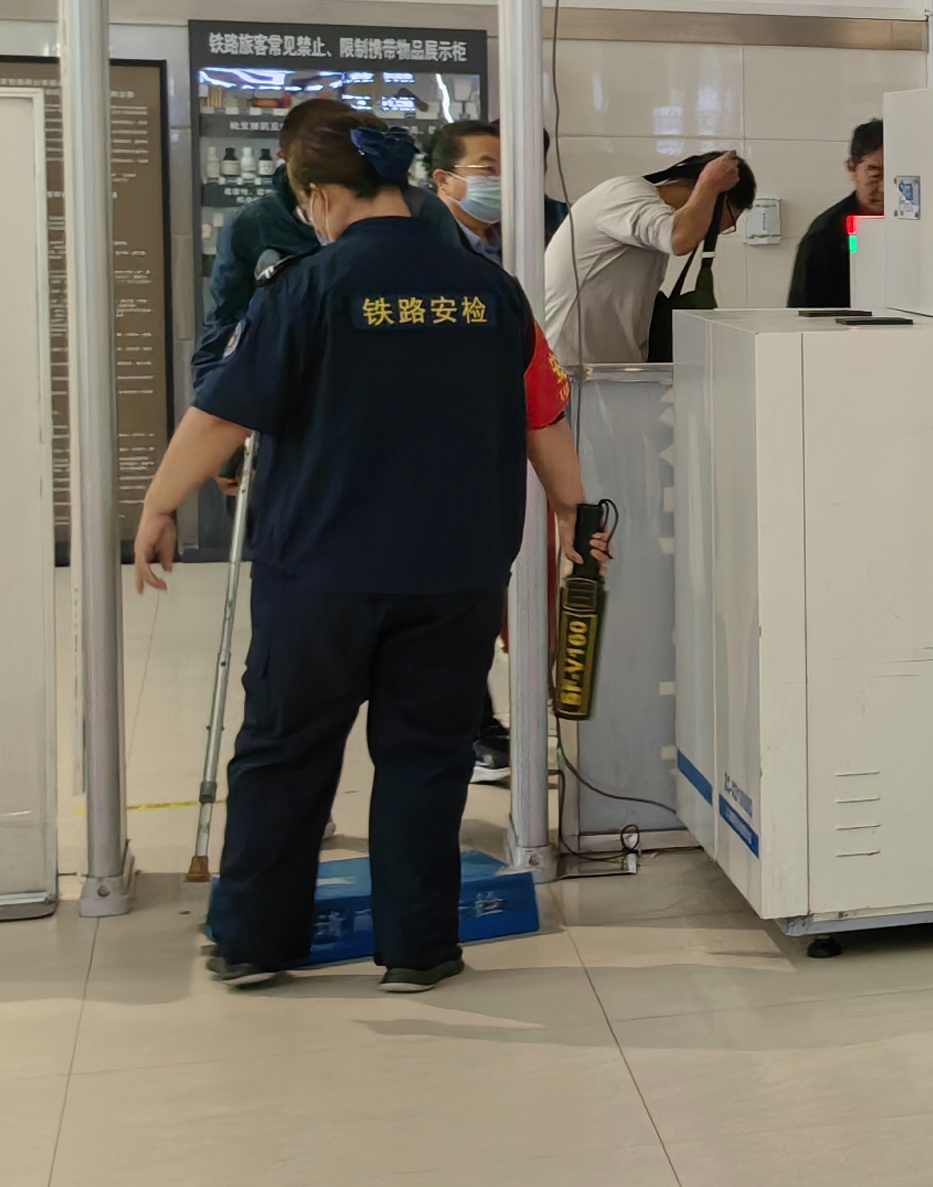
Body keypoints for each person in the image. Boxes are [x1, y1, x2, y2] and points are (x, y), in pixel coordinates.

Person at [132, 111, 604, 991]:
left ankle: (254, 943)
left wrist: (161, 503)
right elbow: (543, 416)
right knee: (428, 756)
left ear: (319, 197)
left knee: (285, 751)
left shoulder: (307, 288)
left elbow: (223, 412)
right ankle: (420, 949)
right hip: (456, 571)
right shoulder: (492, 291)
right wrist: (574, 513)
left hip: (322, 574)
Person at [543, 148, 752, 366]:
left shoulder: (653, 218)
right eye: (720, 226)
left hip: (604, 368)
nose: (709, 233)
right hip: (567, 369)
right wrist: (709, 183)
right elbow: (680, 239)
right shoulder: (625, 196)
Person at [784, 118, 883, 311]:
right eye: (875, 175)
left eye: (894, 177)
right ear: (852, 169)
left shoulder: (920, 227)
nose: (884, 188)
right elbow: (805, 313)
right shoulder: (824, 235)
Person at [425, 122, 507, 257]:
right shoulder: (428, 247)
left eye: (506, 170)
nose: (501, 179)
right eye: (488, 168)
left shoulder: (513, 239)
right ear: (444, 180)